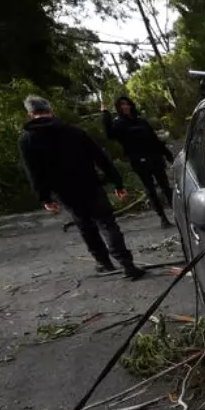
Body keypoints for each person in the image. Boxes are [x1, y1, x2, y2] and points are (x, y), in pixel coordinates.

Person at [17, 95, 145, 279]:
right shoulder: (73, 131)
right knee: (107, 224)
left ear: (30, 114)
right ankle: (126, 263)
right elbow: (100, 157)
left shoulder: (27, 140)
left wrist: (45, 197)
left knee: (86, 226)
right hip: (90, 185)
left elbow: (34, 172)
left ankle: (104, 263)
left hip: (66, 191)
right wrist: (117, 182)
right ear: (50, 111)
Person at [103, 96, 174, 228]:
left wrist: (168, 155)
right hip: (139, 162)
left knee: (165, 186)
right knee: (151, 190)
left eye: (126, 104)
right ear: (118, 108)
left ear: (130, 105)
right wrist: (105, 114)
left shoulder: (141, 121)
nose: (125, 107)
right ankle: (163, 218)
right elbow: (110, 134)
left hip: (154, 158)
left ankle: (176, 213)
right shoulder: (119, 124)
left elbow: (154, 139)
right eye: (121, 105)